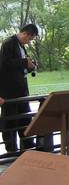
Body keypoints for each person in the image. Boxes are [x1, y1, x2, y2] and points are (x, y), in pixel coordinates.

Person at [0, 24, 38, 152]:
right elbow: (5, 63)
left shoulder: (21, 45)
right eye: (30, 39)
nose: (29, 42)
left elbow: (19, 65)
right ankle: (11, 148)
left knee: (25, 117)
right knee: (10, 119)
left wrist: (30, 65)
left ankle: (27, 143)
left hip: (21, 89)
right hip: (9, 90)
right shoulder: (9, 43)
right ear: (26, 34)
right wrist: (24, 62)